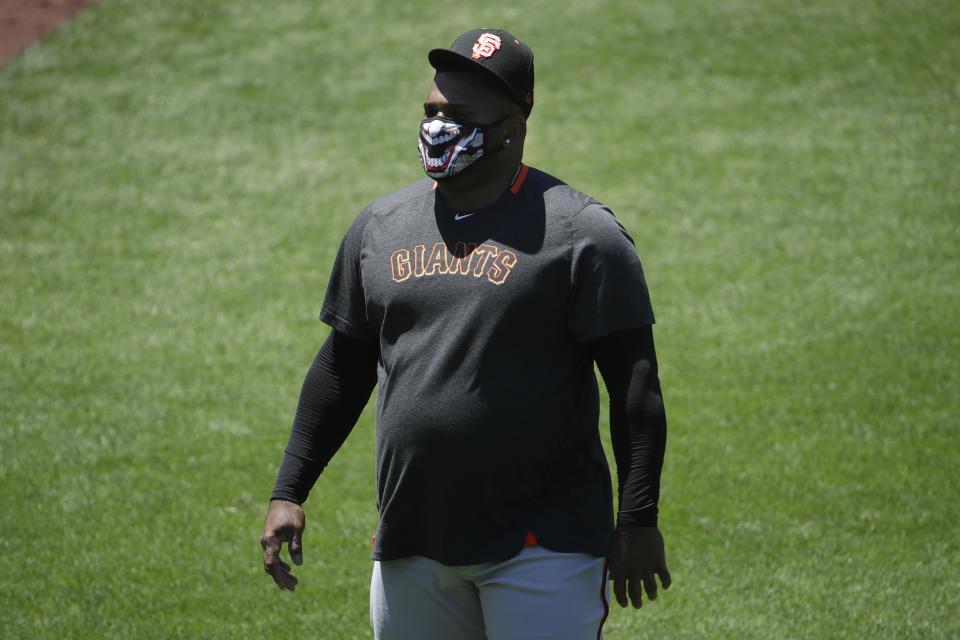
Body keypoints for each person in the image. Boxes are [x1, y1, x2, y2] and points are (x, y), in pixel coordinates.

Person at [260, 28, 671, 639]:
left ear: (515, 124)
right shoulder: (379, 227)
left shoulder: (582, 234)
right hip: (413, 537)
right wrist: (290, 489)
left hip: (544, 543)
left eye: (460, 116)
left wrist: (637, 519)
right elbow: (343, 367)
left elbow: (635, 391)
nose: (439, 127)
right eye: (432, 112)